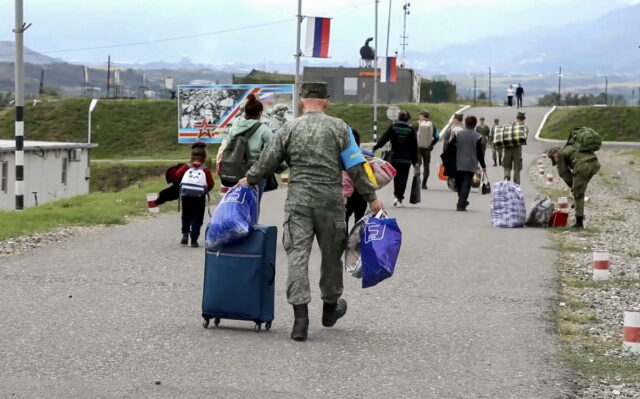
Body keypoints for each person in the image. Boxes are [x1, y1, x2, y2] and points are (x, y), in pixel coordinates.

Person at [239, 82, 382, 341]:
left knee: (297, 257)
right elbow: (355, 166)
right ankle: (330, 309)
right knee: (331, 257)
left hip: (299, 203)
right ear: (325, 101)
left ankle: (300, 321)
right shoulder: (340, 128)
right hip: (331, 203)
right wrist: (372, 198)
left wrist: (248, 180)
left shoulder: (289, 128)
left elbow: (267, 161)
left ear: (302, 102)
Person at [223, 93, 274, 204]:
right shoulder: (264, 130)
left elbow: (228, 145)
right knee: (253, 206)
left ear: (245, 112)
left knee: (237, 203)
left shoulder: (235, 126)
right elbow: (271, 152)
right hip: (255, 172)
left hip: (235, 170)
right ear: (260, 113)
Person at [547, 132, 601, 229]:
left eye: (553, 158)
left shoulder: (560, 155)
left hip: (583, 166)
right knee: (580, 190)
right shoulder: (571, 146)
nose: (554, 160)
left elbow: (563, 173)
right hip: (594, 164)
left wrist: (573, 188)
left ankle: (579, 223)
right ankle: (576, 206)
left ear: (554, 154)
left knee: (578, 194)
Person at [373, 110, 419, 207]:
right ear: (408, 119)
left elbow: (384, 138)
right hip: (406, 159)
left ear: (399, 117)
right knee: (403, 178)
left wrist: (375, 147)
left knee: (396, 177)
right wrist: (415, 161)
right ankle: (399, 198)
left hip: (394, 157)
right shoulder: (410, 130)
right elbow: (414, 147)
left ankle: (396, 196)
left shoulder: (393, 127)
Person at [174, 142, 214, 247]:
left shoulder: (186, 167)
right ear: (204, 157)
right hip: (199, 197)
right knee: (197, 217)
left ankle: (185, 234)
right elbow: (210, 184)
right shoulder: (205, 170)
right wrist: (204, 190)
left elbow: (176, 175)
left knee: (186, 215)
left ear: (192, 156)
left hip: (186, 195)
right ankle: (194, 240)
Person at [449, 116, 486, 211]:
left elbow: (450, 145)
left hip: (458, 163)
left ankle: (462, 201)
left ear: (465, 123)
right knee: (466, 184)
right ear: (475, 124)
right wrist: (483, 165)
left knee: (459, 184)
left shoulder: (458, 134)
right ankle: (461, 204)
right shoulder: (477, 136)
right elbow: (479, 153)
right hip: (471, 163)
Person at [345, 128, 368, 228]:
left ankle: (344, 242)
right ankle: (357, 242)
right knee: (359, 221)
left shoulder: (338, 157)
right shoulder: (363, 157)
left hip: (345, 194)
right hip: (360, 194)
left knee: (342, 221)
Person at [414, 110, 438, 190]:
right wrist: (432, 143)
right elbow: (437, 136)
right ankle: (424, 183)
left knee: (418, 163)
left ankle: (417, 179)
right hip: (427, 148)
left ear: (421, 116)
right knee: (426, 165)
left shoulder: (416, 124)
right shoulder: (432, 125)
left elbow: (410, 134)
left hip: (417, 148)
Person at [503, 112, 528, 184]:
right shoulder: (524, 126)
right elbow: (524, 138)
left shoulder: (510, 125)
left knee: (507, 165)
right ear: (524, 119)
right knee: (517, 167)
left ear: (517, 118)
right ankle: (516, 184)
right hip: (517, 149)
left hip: (507, 148)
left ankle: (506, 178)